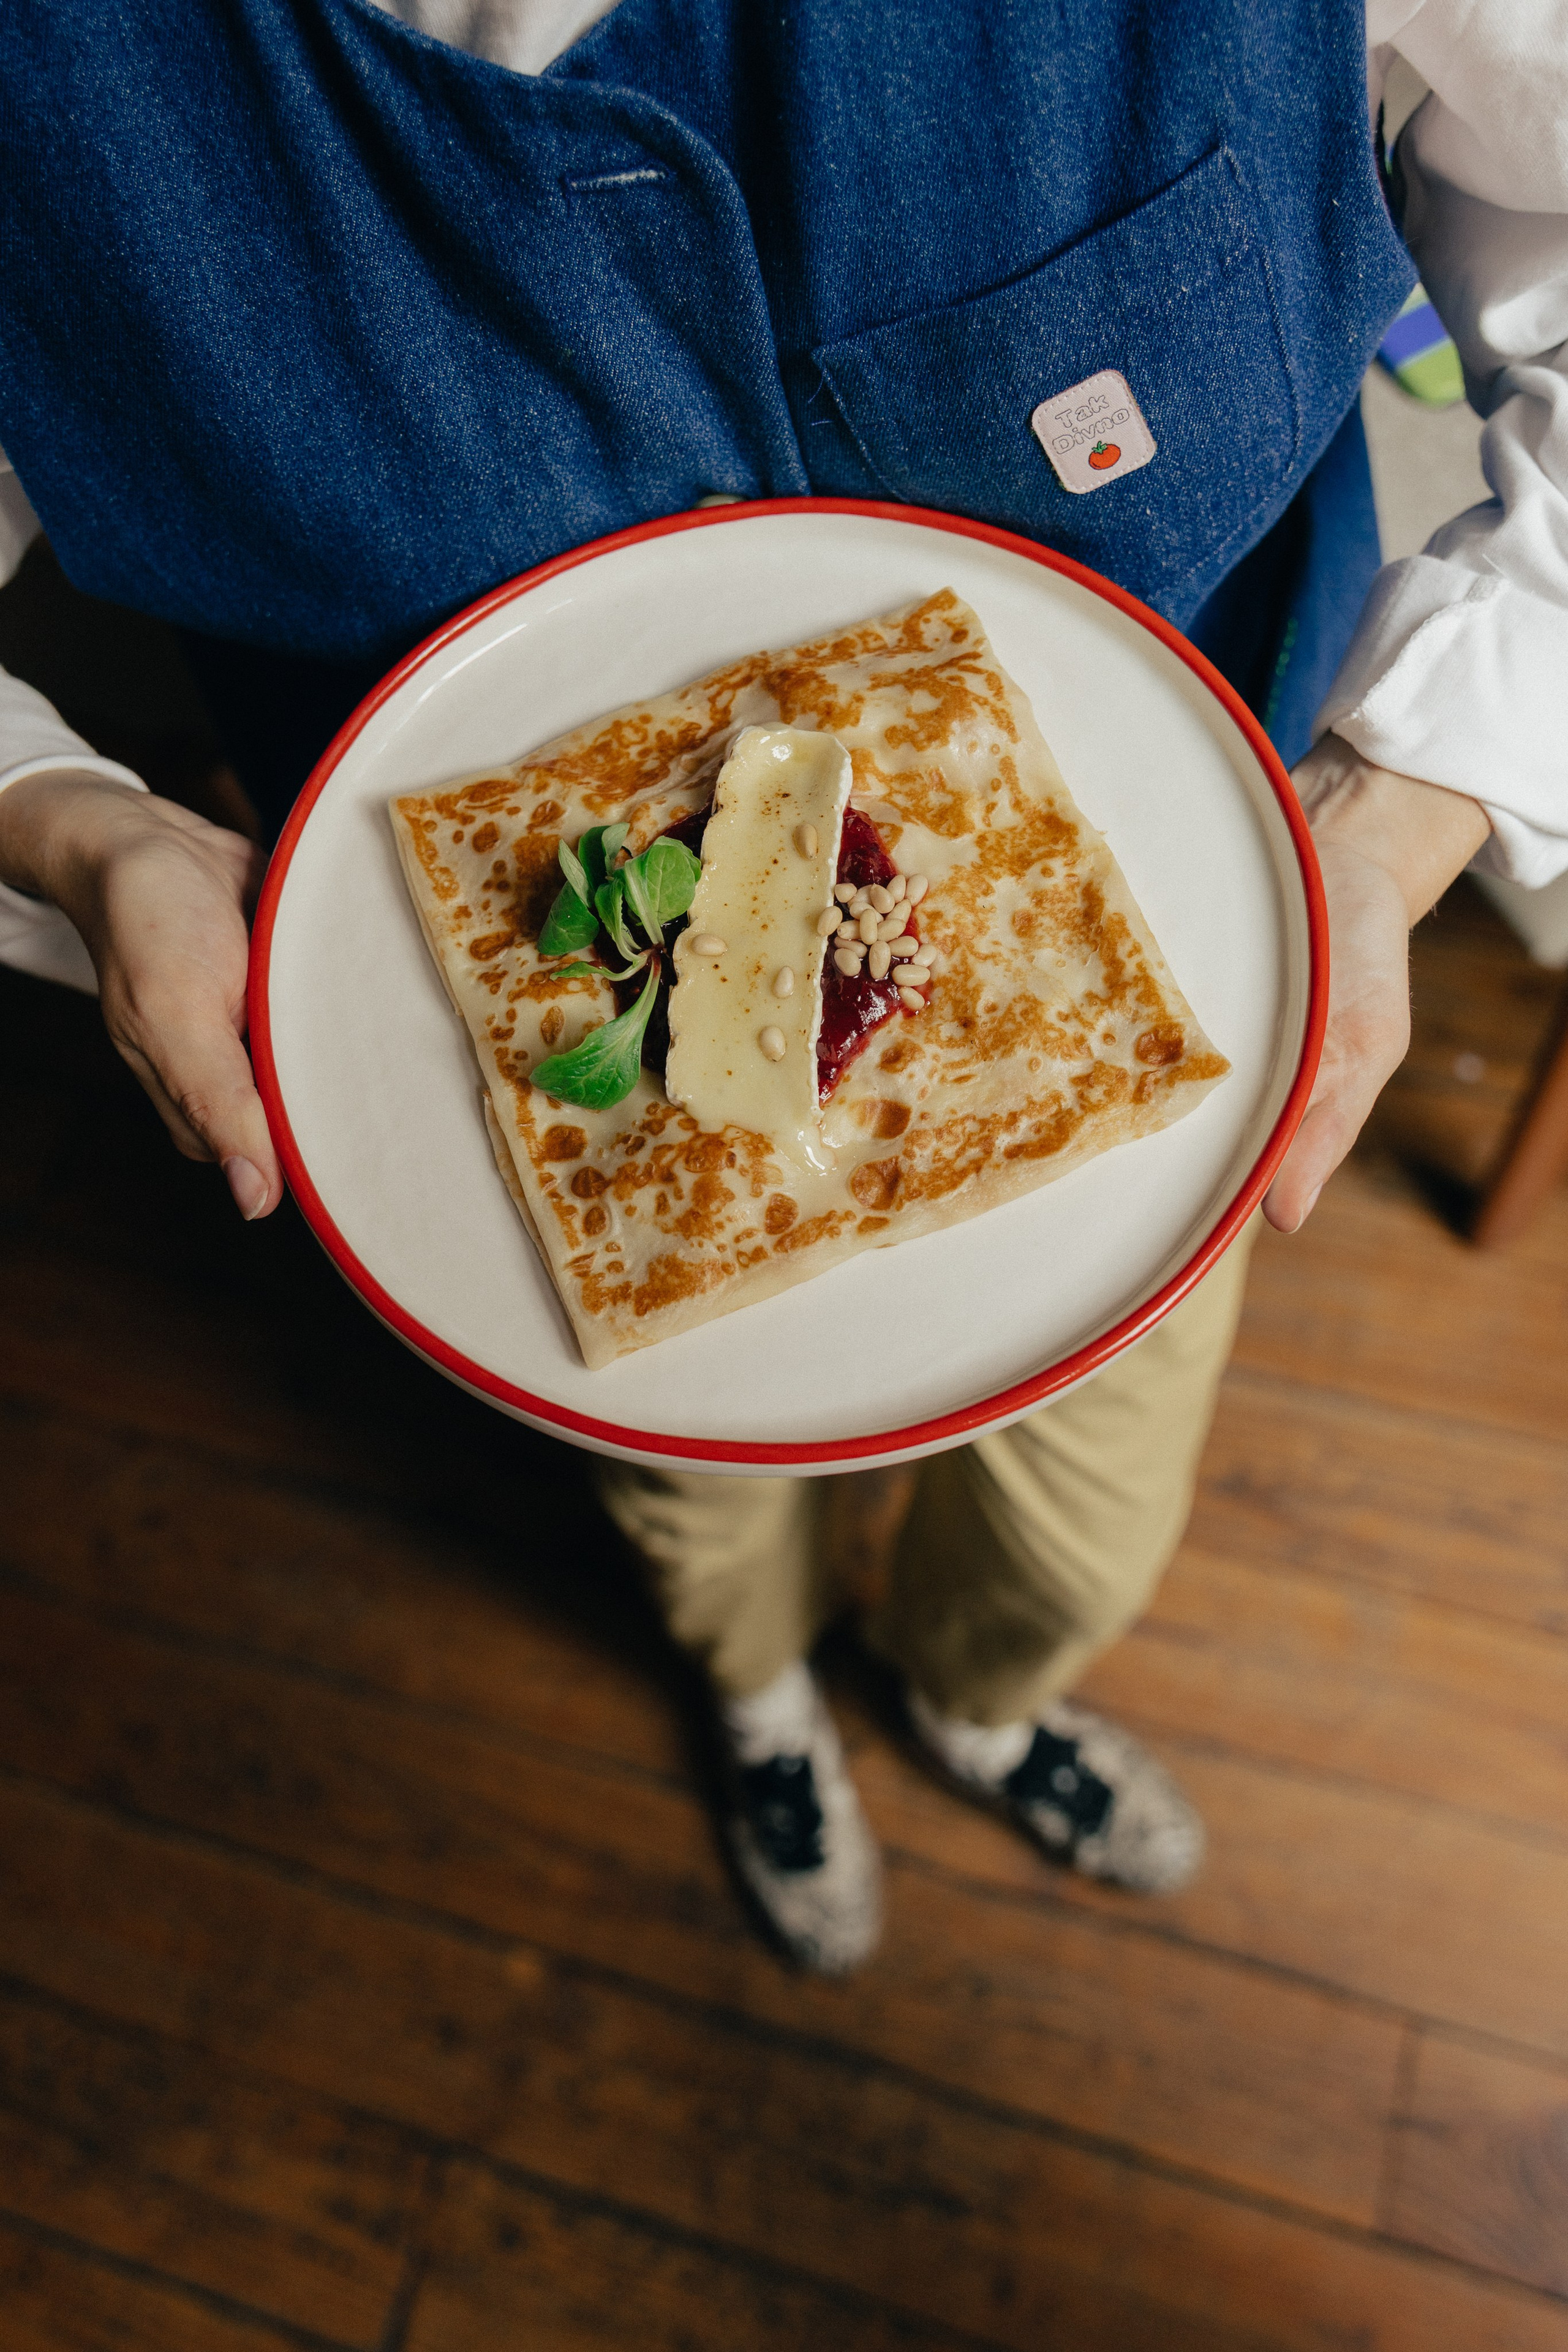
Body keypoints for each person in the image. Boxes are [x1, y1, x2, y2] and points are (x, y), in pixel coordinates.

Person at [0, 0, 1563, 1972]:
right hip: (522, 1064)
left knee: (1083, 1530)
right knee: (685, 1509)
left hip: (1158, 1013)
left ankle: (979, 1707)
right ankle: (760, 1712)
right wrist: (60, 814)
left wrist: (1402, 806)